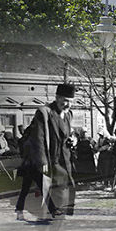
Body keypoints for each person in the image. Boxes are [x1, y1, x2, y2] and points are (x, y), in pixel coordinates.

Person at [19, 83, 76, 219]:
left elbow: (68, 134)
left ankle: (58, 214)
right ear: (57, 97)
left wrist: (73, 140)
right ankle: (56, 216)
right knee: (60, 186)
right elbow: (38, 140)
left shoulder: (68, 115)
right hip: (51, 160)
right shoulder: (44, 113)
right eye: (65, 100)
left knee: (67, 186)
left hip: (65, 159)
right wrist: (43, 165)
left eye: (71, 102)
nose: (67, 104)